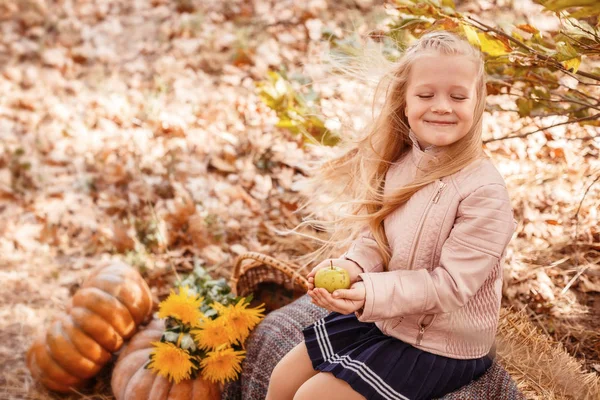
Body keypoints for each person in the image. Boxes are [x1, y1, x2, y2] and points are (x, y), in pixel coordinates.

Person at [266, 30, 517, 400]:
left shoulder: (485, 193)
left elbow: (449, 286)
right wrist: (352, 267)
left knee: (312, 397)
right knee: (283, 379)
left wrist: (369, 294)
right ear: (404, 101)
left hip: (438, 344)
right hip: (386, 316)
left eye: (458, 96)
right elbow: (377, 237)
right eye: (426, 95)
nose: (443, 106)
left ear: (478, 103)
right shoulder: (401, 165)